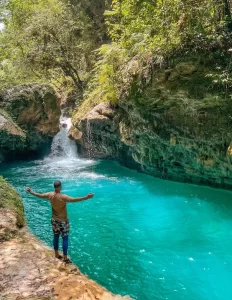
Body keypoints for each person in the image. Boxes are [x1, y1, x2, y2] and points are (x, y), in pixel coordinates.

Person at [26, 180, 94, 264]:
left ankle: (56, 254)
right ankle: (65, 258)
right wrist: (86, 197)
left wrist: (31, 191)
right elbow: (74, 200)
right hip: (63, 222)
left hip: (54, 220)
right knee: (65, 238)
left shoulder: (49, 195)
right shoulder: (63, 197)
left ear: (54, 187)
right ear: (60, 187)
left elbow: (39, 195)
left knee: (56, 236)